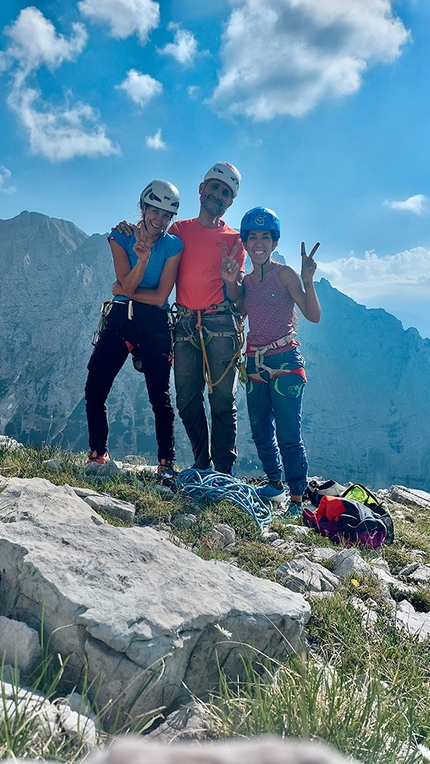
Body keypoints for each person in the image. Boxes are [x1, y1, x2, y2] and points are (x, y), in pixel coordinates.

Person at [84, 180, 183, 477]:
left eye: (167, 215)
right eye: (155, 210)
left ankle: (166, 463)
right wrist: (141, 262)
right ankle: (97, 454)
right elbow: (128, 282)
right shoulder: (120, 237)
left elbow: (160, 296)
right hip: (122, 318)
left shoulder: (173, 245)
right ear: (142, 207)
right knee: (95, 387)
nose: (160, 219)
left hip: (153, 321)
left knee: (159, 397)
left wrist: (125, 289)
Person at [232, 206, 321, 516]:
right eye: (253, 237)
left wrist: (308, 280)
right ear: (245, 243)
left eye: (265, 237)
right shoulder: (246, 281)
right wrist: (230, 282)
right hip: (255, 361)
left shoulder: (284, 273)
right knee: (259, 429)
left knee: (287, 433)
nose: (259, 243)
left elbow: (313, 315)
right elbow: (239, 310)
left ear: (275, 243)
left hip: (285, 360)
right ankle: (274, 484)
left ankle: (297, 498)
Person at [168, 162, 246, 474]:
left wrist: (230, 281)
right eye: (214, 187)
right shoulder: (178, 231)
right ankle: (203, 465)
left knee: (222, 401)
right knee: (187, 400)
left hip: (221, 323)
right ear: (201, 189)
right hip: (186, 322)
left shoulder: (236, 240)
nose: (217, 194)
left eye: (225, 192)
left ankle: (223, 472)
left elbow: (239, 300)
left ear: (230, 202)